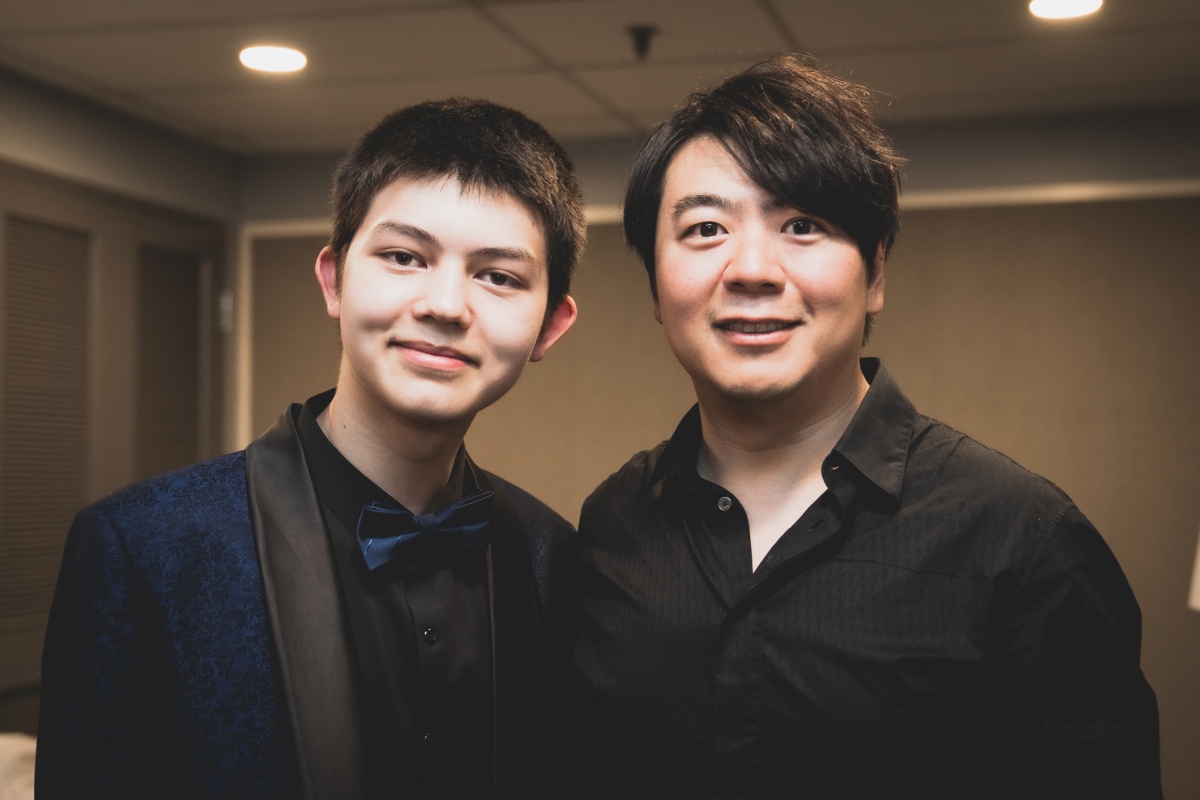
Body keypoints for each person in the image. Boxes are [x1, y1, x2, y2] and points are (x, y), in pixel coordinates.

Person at [569, 55, 1161, 799]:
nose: (752, 267)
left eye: (803, 224)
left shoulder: (1023, 539)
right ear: (655, 284)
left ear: (875, 273)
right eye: (706, 228)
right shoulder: (612, 523)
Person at [37, 97, 585, 799]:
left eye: (498, 276)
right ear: (334, 279)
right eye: (403, 256)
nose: (446, 305)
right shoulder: (144, 548)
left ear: (549, 327)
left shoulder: (551, 556)